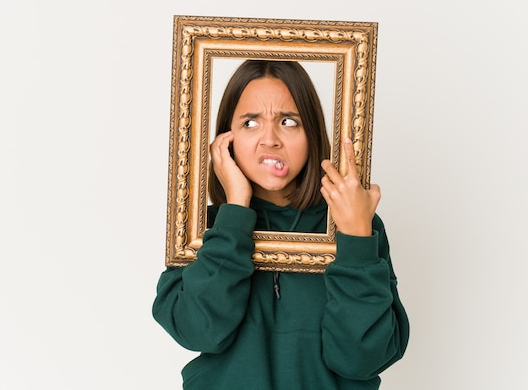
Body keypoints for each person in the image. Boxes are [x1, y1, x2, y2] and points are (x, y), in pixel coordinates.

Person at [153, 60, 409, 389]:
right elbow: (198, 331)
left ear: (312, 133)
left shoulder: (357, 223)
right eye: (250, 123)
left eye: (288, 122)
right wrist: (234, 214)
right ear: (225, 138)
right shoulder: (202, 227)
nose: (270, 139)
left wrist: (357, 238)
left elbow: (362, 358)